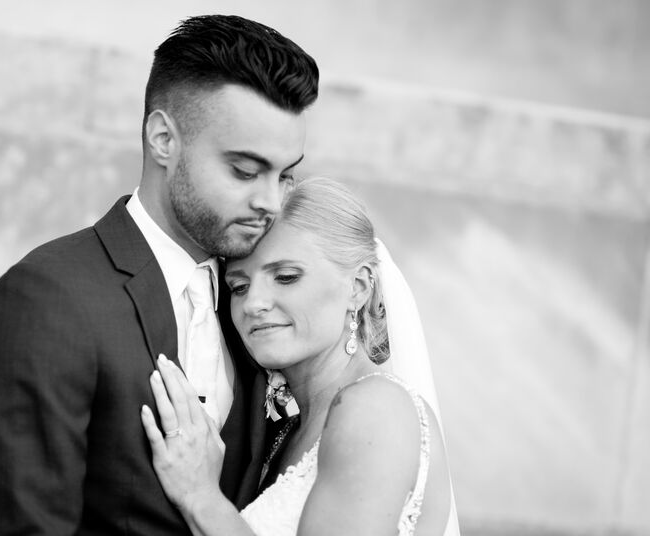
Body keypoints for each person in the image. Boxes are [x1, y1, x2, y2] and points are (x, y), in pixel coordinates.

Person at [0, 15, 318, 535]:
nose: (270, 201)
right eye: (245, 171)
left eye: (285, 175)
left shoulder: (261, 307)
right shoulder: (47, 298)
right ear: (163, 139)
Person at [141, 177, 455, 535]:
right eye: (239, 287)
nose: (253, 303)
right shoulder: (287, 430)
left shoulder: (376, 408)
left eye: (286, 277)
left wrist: (200, 496)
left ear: (358, 287)